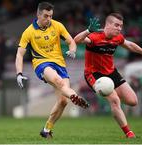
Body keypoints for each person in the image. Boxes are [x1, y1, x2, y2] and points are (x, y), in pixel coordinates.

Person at [74, 13, 142, 138]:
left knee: (133, 101)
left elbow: (130, 45)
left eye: (121, 26)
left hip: (111, 72)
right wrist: (87, 31)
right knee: (114, 100)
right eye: (117, 25)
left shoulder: (117, 38)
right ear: (107, 25)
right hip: (94, 74)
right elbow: (76, 40)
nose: (119, 28)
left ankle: (115, 104)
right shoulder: (95, 37)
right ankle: (129, 133)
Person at [15, 2, 89, 139]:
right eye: (45, 16)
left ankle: (46, 129)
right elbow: (19, 54)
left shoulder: (58, 25)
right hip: (42, 64)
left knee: (63, 101)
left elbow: (71, 41)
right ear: (38, 14)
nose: (48, 19)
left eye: (50, 16)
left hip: (60, 65)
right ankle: (76, 97)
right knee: (58, 81)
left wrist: (72, 50)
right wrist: (19, 73)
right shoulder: (29, 32)